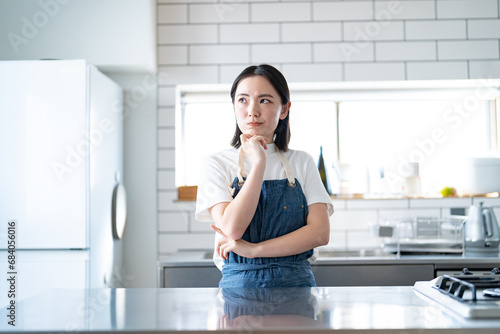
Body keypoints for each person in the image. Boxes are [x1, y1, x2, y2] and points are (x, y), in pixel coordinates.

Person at [195, 64, 334, 288]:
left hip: (297, 289)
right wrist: (258, 163)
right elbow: (233, 228)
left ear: (284, 109)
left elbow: (319, 233)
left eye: (265, 100)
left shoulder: (302, 162)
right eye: (243, 100)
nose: (252, 111)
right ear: (233, 106)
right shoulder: (215, 164)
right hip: (239, 291)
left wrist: (255, 250)